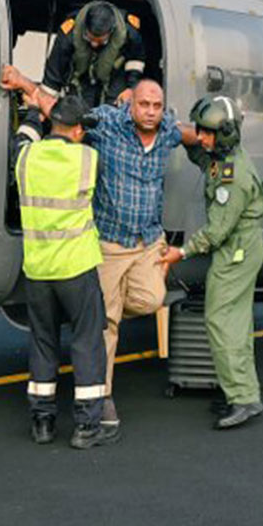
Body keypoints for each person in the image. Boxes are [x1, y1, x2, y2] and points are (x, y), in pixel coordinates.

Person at [81, 78, 195, 437]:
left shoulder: (167, 133)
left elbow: (190, 135)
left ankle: (98, 312)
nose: (150, 112)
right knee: (107, 326)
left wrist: (213, 137)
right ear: (131, 104)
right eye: (144, 104)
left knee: (151, 299)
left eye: (156, 106)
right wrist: (25, 86)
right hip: (110, 244)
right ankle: (103, 396)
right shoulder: (108, 124)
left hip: (147, 241)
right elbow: (66, 116)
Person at [15, 94, 118, 449]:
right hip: (76, 267)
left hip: (38, 268)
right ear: (77, 131)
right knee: (87, 342)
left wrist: (31, 108)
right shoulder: (89, 159)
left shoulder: (25, 157)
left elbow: (24, 135)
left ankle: (42, 422)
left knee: (43, 342)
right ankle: (86, 428)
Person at [161, 94, 263, 429]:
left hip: (235, 250)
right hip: (241, 248)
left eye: (207, 133)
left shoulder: (232, 177)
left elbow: (216, 231)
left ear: (225, 134)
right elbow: (205, 160)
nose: (202, 137)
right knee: (237, 323)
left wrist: (182, 252)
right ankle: (240, 389)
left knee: (221, 321)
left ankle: (243, 398)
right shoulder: (224, 158)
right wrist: (184, 138)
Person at [1, 0, 146, 146]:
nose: (94, 44)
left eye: (100, 41)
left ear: (112, 31)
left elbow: (137, 61)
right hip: (80, 78)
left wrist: (131, 88)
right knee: (75, 118)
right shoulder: (68, 34)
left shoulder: (130, 32)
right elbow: (52, 78)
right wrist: (40, 106)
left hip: (115, 77)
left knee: (112, 121)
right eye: (90, 39)